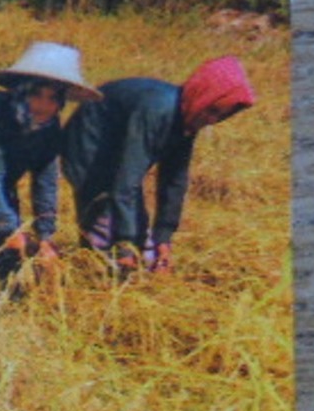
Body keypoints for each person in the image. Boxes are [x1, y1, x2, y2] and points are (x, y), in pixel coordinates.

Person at [61, 55, 255, 273]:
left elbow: (174, 180)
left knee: (142, 240)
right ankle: (94, 275)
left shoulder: (189, 117)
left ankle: (130, 259)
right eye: (212, 110)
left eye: (221, 115)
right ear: (203, 95)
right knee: (103, 221)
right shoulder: (157, 111)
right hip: (90, 145)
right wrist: (126, 247)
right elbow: (126, 182)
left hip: (118, 149)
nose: (212, 120)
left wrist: (164, 239)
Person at [0, 41, 102, 297]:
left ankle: (9, 282)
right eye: (36, 95)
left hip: (5, 175)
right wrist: (10, 229)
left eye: (52, 98)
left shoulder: (50, 127)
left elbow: (46, 180)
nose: (43, 105)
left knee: (9, 242)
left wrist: (46, 234)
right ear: (21, 92)